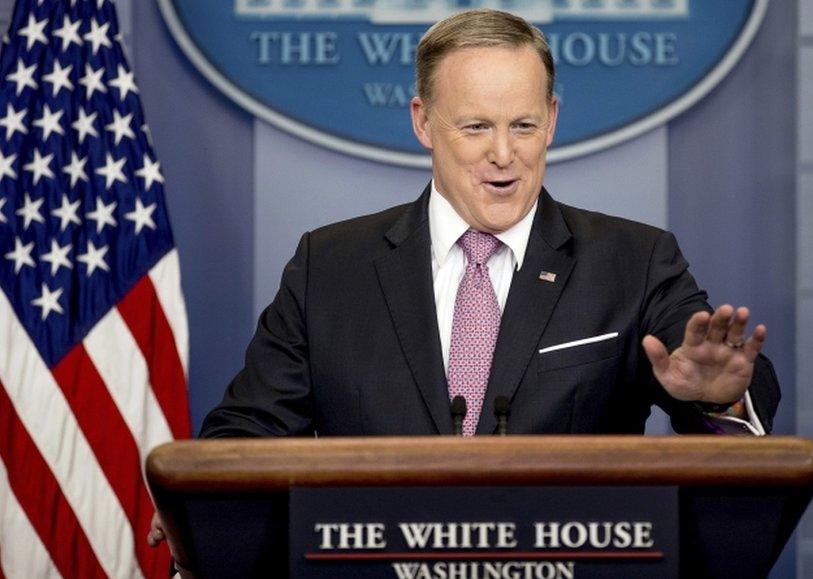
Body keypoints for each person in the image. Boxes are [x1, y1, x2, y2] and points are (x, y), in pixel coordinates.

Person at [149, 8, 779, 548]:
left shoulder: (633, 260)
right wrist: (201, 500)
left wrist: (716, 398)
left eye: (524, 126)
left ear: (552, 120)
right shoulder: (331, 266)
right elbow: (250, 430)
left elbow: (719, 390)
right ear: (423, 122)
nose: (504, 155)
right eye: (476, 126)